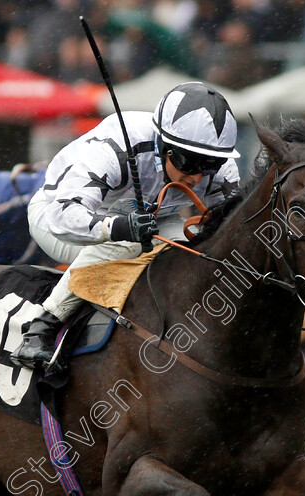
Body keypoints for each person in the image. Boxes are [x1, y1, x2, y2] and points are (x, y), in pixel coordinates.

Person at [12, 81, 241, 369]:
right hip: (59, 220)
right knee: (129, 242)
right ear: (164, 146)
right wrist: (120, 227)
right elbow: (64, 214)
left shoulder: (216, 164)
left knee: (197, 248)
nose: (198, 177)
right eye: (189, 162)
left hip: (153, 219)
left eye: (210, 165)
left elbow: (228, 227)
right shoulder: (114, 148)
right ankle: (41, 327)